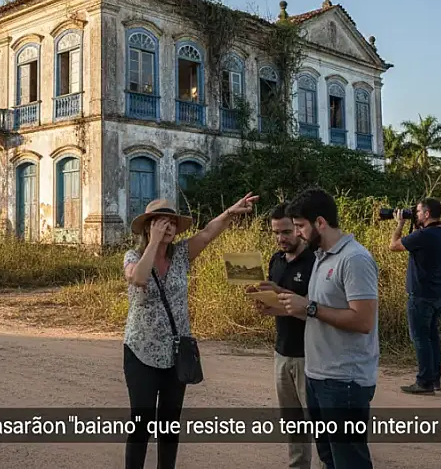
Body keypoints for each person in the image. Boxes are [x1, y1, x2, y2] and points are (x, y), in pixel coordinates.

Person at [122, 193, 259, 469]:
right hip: (141, 351)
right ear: (148, 227)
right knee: (142, 421)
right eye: (161, 222)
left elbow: (207, 234)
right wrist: (153, 243)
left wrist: (230, 213)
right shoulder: (133, 256)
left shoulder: (181, 254)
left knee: (169, 424)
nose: (169, 226)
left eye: (172, 222)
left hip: (176, 353)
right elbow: (138, 277)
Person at [277, 188, 379, 469]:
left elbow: (363, 321)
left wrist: (309, 307)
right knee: (330, 460)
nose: (298, 234)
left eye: (300, 226)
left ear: (320, 222)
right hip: (318, 376)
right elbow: (319, 313)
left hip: (344, 381)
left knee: (350, 462)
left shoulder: (354, 259)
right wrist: (280, 301)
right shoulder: (322, 257)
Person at [250, 202, 316, 469]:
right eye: (276, 232)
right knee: (293, 423)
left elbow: (315, 308)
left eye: (287, 231)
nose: (281, 238)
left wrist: (278, 292)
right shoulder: (276, 260)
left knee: (320, 424)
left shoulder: (315, 262)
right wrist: (264, 304)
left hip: (310, 354)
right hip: (282, 351)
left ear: (299, 228)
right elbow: (281, 305)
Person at [389, 197, 441, 395]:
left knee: (420, 338)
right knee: (432, 336)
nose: (415, 215)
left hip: (421, 295)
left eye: (417, 212)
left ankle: (424, 382)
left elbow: (394, 246)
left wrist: (400, 224)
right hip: (439, 294)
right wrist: (416, 226)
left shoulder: (423, 236)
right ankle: (435, 379)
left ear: (426, 214)